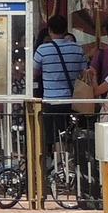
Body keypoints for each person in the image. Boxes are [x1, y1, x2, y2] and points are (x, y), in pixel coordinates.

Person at [33, 13, 89, 154]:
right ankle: (70, 165)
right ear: (65, 30)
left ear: (50, 30)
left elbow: (34, 73)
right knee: (70, 134)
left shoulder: (42, 50)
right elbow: (84, 74)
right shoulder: (77, 49)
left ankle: (59, 167)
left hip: (51, 101)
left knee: (55, 137)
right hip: (73, 101)